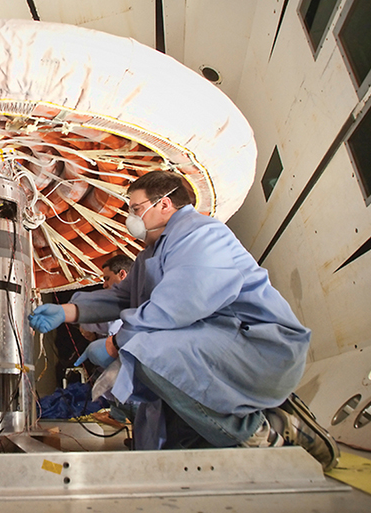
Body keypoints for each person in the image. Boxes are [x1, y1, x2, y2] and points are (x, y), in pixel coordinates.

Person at [29, 171, 339, 470]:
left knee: (148, 354)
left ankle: (259, 430)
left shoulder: (202, 234)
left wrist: (114, 345)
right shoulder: (149, 257)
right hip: (206, 352)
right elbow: (122, 298)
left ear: (163, 203)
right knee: (178, 448)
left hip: (253, 348)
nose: (131, 218)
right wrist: (66, 312)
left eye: (136, 209)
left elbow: (180, 302)